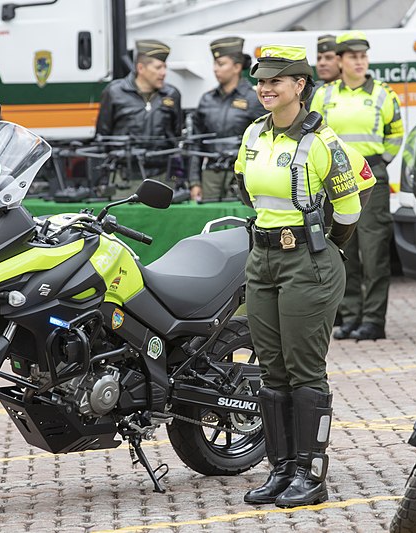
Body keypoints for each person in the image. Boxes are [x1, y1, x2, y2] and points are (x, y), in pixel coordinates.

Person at [234, 45, 372, 507]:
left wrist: (324, 248)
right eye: (260, 82)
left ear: (300, 86)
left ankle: (310, 474)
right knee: (272, 372)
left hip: (307, 260)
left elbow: (350, 209)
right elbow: (244, 185)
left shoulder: (321, 142)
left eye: (276, 81)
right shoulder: (253, 134)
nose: (265, 88)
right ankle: (280, 470)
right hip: (262, 257)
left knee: (304, 371)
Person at [310, 31, 404, 341]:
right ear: (340, 61)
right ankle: (349, 317)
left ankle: (374, 320)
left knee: (374, 250)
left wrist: (377, 165)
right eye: (353, 57)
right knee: (342, 248)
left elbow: (395, 135)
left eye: (363, 56)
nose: (360, 62)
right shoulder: (324, 95)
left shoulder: (383, 94)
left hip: (372, 174)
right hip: (337, 178)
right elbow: (316, 137)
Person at [95, 40, 182, 185]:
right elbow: (102, 136)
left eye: (165, 67)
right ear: (141, 68)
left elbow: (176, 135)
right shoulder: (114, 92)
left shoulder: (172, 94)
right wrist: (103, 178)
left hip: (161, 176)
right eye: (158, 67)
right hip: (123, 177)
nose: (163, 73)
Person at [189, 37, 265, 201]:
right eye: (215, 64)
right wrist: (194, 181)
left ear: (237, 67)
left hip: (242, 174)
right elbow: (195, 142)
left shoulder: (253, 99)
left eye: (221, 64)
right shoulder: (206, 99)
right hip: (210, 174)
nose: (216, 69)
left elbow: (264, 141)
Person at [305, 34, 340, 109]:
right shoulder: (310, 93)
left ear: (341, 61)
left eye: (329, 58)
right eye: (319, 58)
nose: (322, 63)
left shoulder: (354, 89)